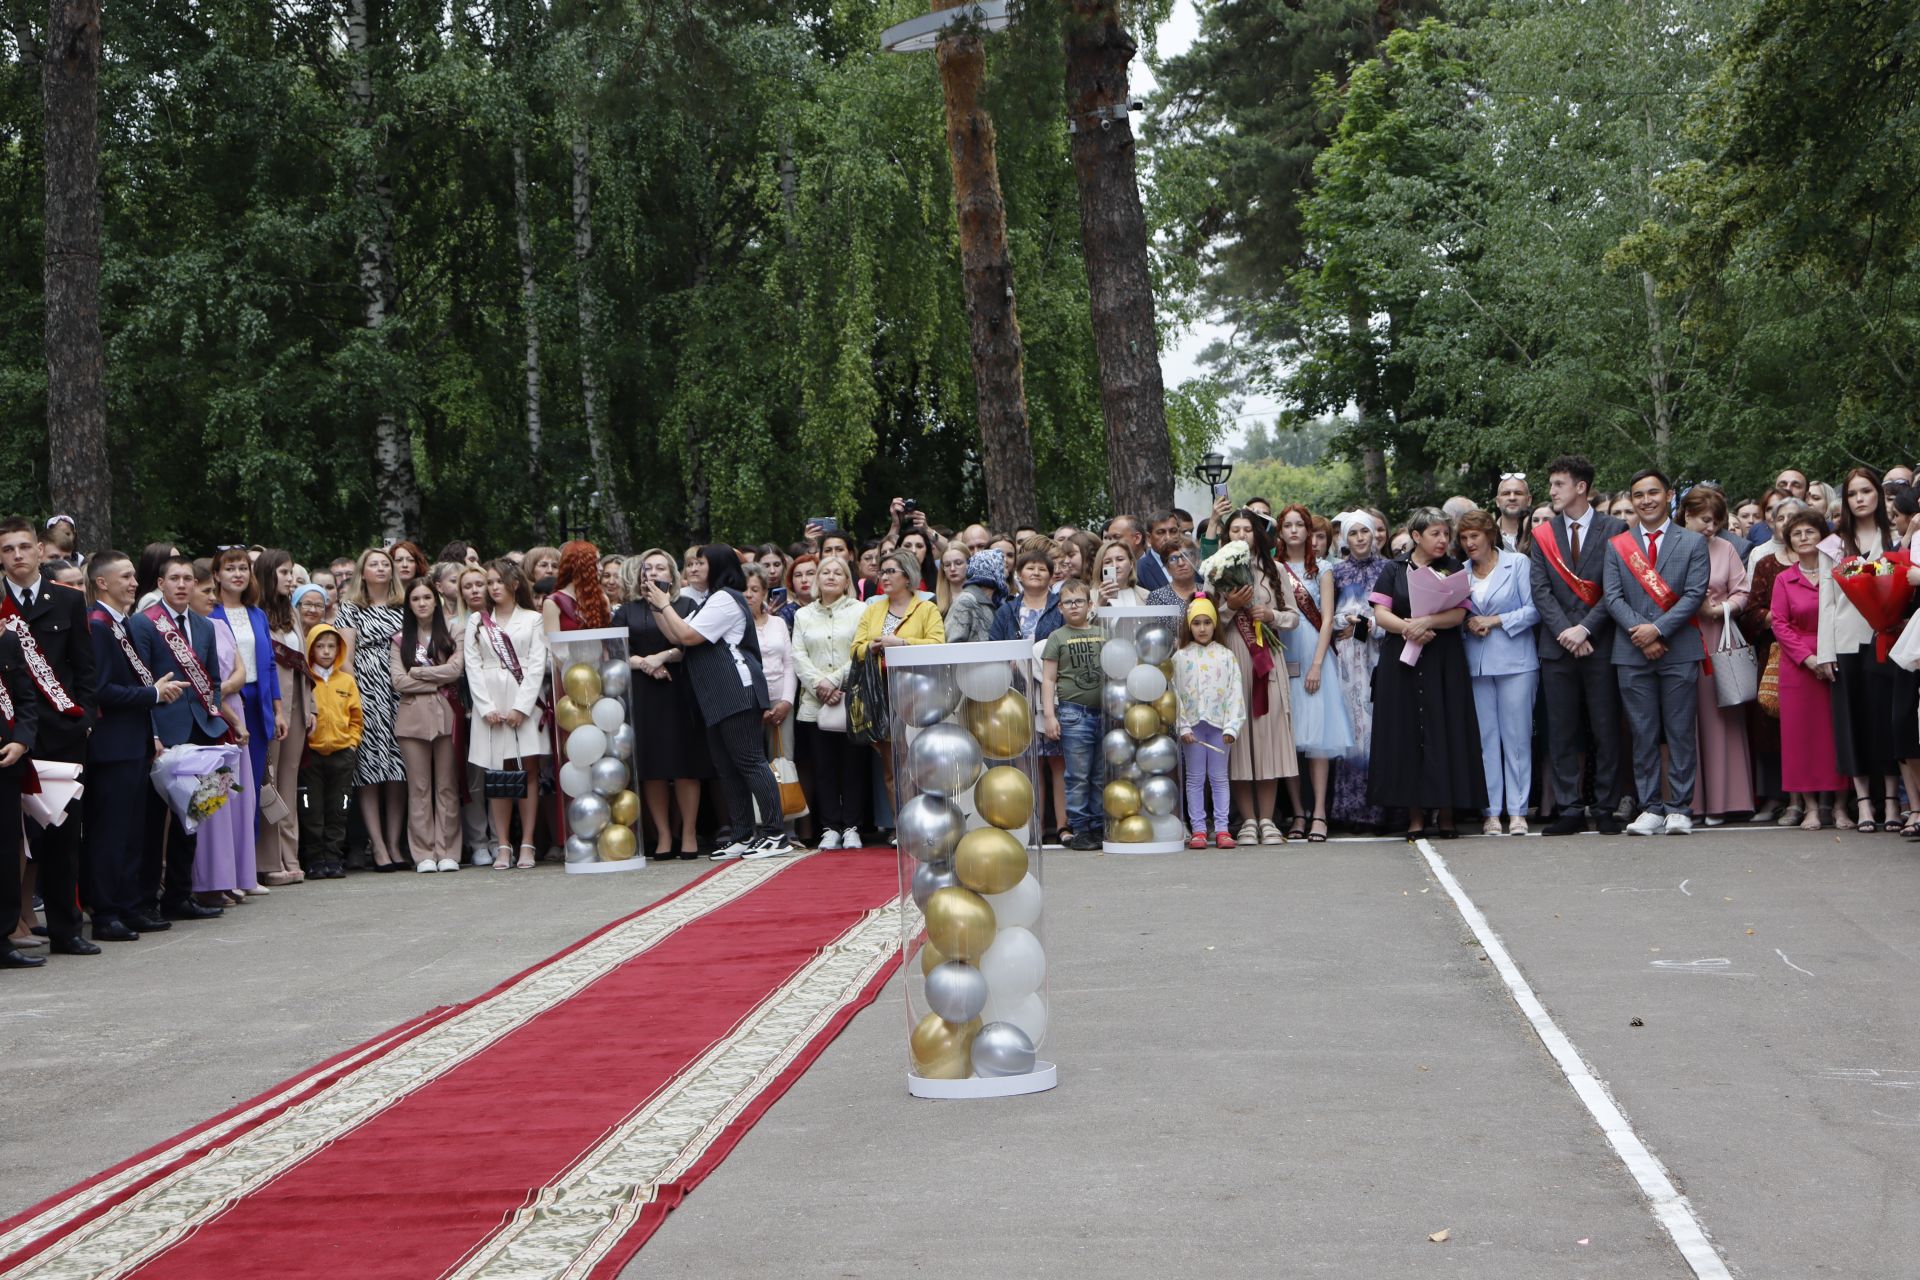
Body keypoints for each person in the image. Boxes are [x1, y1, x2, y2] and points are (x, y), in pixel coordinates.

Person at [637, 546, 794, 861]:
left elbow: (688, 635)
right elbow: (676, 635)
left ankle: (776, 834)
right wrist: (657, 605)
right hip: (717, 693)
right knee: (727, 766)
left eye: (701, 563)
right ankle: (741, 834)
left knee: (749, 761)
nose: (693, 568)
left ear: (718, 566)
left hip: (736, 689)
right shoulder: (710, 600)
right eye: (691, 563)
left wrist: (665, 603)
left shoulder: (725, 598)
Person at [0, 517, 97, 956]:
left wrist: (85, 718)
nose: (17, 556)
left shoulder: (67, 601)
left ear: (41, 550)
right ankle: (9, 932)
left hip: (60, 734)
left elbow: (84, 666)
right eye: (7, 550)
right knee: (7, 841)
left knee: (61, 837)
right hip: (9, 736)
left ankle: (65, 929)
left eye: (24, 547)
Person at [1604, 469, 1711, 836]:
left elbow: (1695, 594)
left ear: (1669, 496)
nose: (1646, 500)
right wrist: (1642, 633)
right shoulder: (1619, 545)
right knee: (1642, 732)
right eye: (1638, 495)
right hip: (1632, 653)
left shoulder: (1692, 542)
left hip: (1679, 648)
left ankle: (1680, 806)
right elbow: (1612, 596)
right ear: (1632, 501)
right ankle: (1650, 806)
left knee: (1680, 731)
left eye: (1653, 493)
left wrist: (1658, 628)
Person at [83, 552, 183, 941]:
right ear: (102, 583)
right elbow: (101, 690)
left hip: (132, 742)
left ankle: (127, 904)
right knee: (110, 831)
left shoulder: (117, 624)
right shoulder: (97, 625)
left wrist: (152, 696)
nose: (133, 582)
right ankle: (106, 911)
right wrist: (151, 694)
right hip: (112, 746)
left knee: (131, 831)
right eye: (124, 576)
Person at [1368, 508, 1485, 837]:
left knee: (1444, 729)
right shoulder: (1394, 568)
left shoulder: (1452, 568)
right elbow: (1380, 613)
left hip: (1442, 657)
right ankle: (1415, 814)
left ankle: (1446, 811)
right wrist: (1409, 628)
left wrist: (1427, 622)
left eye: (1446, 534)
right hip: (1402, 657)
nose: (1443, 540)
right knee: (1405, 733)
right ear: (1416, 536)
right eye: (1435, 534)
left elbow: (1458, 614)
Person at [1532, 455, 1629, 836]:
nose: (1552, 492)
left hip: (1600, 644)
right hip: (1557, 648)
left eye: (1558, 484)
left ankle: (1605, 806)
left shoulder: (1615, 528)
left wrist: (1585, 630)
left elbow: (1616, 588)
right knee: (1562, 730)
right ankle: (1570, 807)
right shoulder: (1543, 534)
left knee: (1606, 729)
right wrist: (1566, 632)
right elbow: (1540, 590)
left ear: (1580, 487)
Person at [1822, 466, 1903, 831]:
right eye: (1853, 494)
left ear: (1878, 495)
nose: (1860, 499)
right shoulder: (1833, 544)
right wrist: (1825, 652)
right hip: (1845, 640)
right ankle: (1864, 804)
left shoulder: (1897, 538)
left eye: (1866, 491)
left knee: (1885, 720)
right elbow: (1826, 600)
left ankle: (1891, 802)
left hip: (1889, 637)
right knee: (1850, 719)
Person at [619, 551, 712, 859]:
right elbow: (616, 651)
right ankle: (662, 835)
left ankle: (687, 833)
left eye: (661, 567)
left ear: (672, 575)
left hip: (681, 690)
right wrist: (645, 663)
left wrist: (663, 657)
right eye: (648, 568)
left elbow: (691, 644)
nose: (654, 572)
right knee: (653, 767)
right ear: (639, 574)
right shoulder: (627, 610)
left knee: (686, 765)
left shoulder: (687, 605)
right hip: (644, 692)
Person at [1218, 509, 1299, 847]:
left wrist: (1271, 614)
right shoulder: (1217, 572)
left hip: (1267, 657)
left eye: (1247, 529)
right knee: (1239, 739)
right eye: (1234, 529)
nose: (1241, 535)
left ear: (1258, 534)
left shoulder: (1275, 569)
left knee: (1268, 738)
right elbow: (1205, 622)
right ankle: (1247, 819)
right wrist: (1229, 607)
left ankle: (1268, 819)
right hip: (1233, 657)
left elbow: (1293, 618)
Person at [1457, 509, 1540, 836]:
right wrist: (1467, 625)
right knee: (1485, 740)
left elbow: (1534, 609)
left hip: (1516, 662)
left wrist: (1496, 620)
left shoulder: (1517, 563)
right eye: (1463, 538)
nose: (1468, 543)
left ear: (1489, 535)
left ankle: (1518, 811)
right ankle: (1491, 811)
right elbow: (1455, 614)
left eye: (1474, 536)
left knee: (1517, 738)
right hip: (1476, 663)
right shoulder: (1459, 572)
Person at [1677, 486, 1756, 823]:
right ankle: (1689, 802)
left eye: (1715, 521)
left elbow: (1743, 592)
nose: (1709, 527)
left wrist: (1722, 609)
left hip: (1716, 638)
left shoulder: (1726, 548)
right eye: (1703, 519)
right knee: (1683, 721)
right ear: (1687, 515)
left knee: (1720, 716)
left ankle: (1725, 800)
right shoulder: (1671, 547)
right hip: (1679, 636)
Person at [466, 558, 550, 870]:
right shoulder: (478, 621)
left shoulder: (533, 619)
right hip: (490, 701)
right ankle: (503, 845)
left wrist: (521, 707)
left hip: (522, 698)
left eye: (498, 581)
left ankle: (527, 843)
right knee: (497, 775)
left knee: (529, 770)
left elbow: (537, 663)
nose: (493, 587)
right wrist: (486, 708)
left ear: (514, 583)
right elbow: (472, 666)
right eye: (489, 583)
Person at [1274, 505, 1351, 841]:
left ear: (1308, 531)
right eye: (1287, 525)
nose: (1294, 531)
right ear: (1279, 532)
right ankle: (1298, 812)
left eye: (1299, 525)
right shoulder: (1272, 567)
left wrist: (1318, 664)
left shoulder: (1322, 569)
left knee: (1318, 738)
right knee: (1287, 739)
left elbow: (1329, 618)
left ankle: (1319, 811)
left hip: (1315, 653)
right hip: (1282, 650)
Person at [1771, 510, 1845, 828]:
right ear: (1790, 542)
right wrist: (1808, 658)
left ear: (1822, 536)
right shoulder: (1783, 579)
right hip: (1798, 665)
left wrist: (1829, 654)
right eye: (1797, 533)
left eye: (1810, 531)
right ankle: (1811, 806)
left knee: (1837, 733)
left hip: (1837, 659)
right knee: (1800, 737)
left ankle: (1840, 806)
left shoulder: (1839, 572)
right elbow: (1780, 623)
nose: (1803, 537)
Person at [334, 548, 408, 868]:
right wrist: (357, 698)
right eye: (373, 564)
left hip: (401, 692)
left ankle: (394, 844)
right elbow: (345, 659)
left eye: (385, 564)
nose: (380, 569)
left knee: (398, 769)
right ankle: (376, 845)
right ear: (362, 573)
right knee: (371, 769)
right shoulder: (350, 608)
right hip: (367, 691)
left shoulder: (403, 608)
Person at [191, 560, 258, 906]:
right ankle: (212, 881)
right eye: (206, 591)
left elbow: (240, 669)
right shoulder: (190, 631)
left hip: (234, 713)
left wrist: (228, 690)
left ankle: (236, 876)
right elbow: (204, 684)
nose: (212, 598)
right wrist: (232, 717)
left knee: (237, 799)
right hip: (217, 718)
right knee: (212, 802)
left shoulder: (217, 625)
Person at [389, 578, 466, 872]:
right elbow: (398, 681)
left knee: (446, 786)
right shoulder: (400, 640)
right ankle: (423, 853)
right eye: (416, 599)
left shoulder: (453, 631)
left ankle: (447, 850)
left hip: (447, 715)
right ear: (409, 604)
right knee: (419, 787)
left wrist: (420, 674)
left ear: (436, 600)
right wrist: (437, 676)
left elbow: (456, 670)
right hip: (411, 720)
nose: (422, 603)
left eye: (426, 598)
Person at [792, 555, 868, 849]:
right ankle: (830, 827)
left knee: (853, 765)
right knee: (822, 767)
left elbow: (860, 651)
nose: (831, 576)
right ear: (816, 579)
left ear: (848, 581)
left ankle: (852, 827)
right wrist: (819, 685)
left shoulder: (861, 611)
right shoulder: (803, 615)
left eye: (839, 572)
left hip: (850, 698)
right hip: (815, 703)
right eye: (825, 572)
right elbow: (798, 656)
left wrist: (835, 681)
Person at [1739, 497, 1807, 825]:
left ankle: (1815, 798)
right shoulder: (1765, 562)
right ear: (1774, 523)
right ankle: (1777, 796)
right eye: (1782, 518)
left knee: (1810, 724)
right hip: (1774, 652)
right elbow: (1750, 611)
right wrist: (1781, 619)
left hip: (1813, 650)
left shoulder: (1821, 559)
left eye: (1796, 517)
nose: (1789, 523)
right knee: (1770, 723)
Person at [990, 547, 1065, 835]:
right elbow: (993, 645)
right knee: (1028, 763)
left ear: (1051, 575)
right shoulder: (1006, 610)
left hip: (1053, 691)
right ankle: (1032, 827)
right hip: (1016, 692)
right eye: (1029, 568)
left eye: (1042, 569)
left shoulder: (1060, 606)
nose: (1035, 572)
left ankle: (1062, 826)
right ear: (1018, 575)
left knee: (1058, 761)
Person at [213, 547, 282, 847]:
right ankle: (225, 866)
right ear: (216, 575)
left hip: (257, 702)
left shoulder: (257, 614)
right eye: (230, 569)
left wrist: (278, 710)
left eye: (243, 568)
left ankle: (248, 866)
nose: (238, 574)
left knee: (253, 783)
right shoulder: (209, 613)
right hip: (226, 701)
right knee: (225, 784)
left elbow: (269, 665)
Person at [252, 552, 308, 886]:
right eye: (284, 572)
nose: (290, 578)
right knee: (268, 782)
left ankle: (291, 855)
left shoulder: (292, 613)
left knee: (288, 782)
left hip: (298, 708)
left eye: (291, 572)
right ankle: (268, 860)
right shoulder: (256, 615)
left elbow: (304, 664)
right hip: (271, 708)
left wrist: (311, 707)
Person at [1329, 519, 1387, 831]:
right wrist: (1345, 622)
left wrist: (1366, 624)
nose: (1360, 537)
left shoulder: (1389, 569)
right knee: (1351, 729)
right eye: (1353, 532)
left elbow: (1395, 612)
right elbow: (1327, 614)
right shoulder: (1336, 572)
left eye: (1365, 530)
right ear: (1344, 538)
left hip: (1380, 655)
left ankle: (1382, 809)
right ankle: (1351, 811)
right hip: (1347, 659)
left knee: (1379, 727)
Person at [1173, 596, 1244, 848]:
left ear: (1215, 624)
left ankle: (1223, 828)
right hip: (1192, 727)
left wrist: (1232, 727)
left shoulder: (1226, 656)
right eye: (1196, 623)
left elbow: (1235, 692)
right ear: (1189, 626)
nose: (1202, 628)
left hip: (1218, 727)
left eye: (1207, 622)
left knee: (1218, 776)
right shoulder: (1180, 657)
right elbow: (1175, 694)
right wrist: (1182, 725)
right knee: (1194, 778)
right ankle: (1199, 829)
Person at [1040, 580, 1105, 849]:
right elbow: (1048, 679)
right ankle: (1079, 828)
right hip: (1073, 715)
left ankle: (1100, 825)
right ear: (1060, 608)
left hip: (1104, 713)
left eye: (1079, 601)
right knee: (1077, 775)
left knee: (1100, 774)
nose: (1074, 606)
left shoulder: (1104, 633)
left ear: (1090, 605)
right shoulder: (1058, 637)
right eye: (1068, 602)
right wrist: (1049, 715)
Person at [300, 623, 362, 876]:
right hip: (311, 754)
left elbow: (356, 717)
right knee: (310, 808)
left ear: (339, 649)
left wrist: (351, 743)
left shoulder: (346, 681)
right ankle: (314, 859)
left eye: (331, 646)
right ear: (311, 648)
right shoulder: (305, 678)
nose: (325, 651)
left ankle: (334, 858)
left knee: (339, 807)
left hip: (341, 753)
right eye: (320, 646)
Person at [0, 615, 39, 968]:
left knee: (6, 850)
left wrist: (22, 742)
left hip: (6, 761)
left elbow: (27, 700)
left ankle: (3, 938)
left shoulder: (8, 642)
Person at [743, 564, 797, 772]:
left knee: (783, 763)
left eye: (755, 590)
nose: (748, 595)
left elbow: (789, 663)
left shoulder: (778, 623)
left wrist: (786, 701)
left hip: (781, 701)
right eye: (744, 589)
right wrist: (758, 707)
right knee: (754, 764)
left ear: (765, 592)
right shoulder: (735, 626)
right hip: (749, 704)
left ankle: (786, 805)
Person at [944, 550, 1007, 644]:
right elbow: (953, 642)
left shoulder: (998, 602)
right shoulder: (965, 601)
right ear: (993, 570)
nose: (1006, 572)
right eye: (1003, 567)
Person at [1093, 538, 1151, 612]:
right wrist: (1099, 606)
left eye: (1120, 559)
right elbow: (1085, 623)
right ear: (1101, 567)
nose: (1114, 565)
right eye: (1108, 562)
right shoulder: (1090, 596)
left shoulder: (1146, 595)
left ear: (1131, 564)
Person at [1145, 539, 1202, 609]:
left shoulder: (1206, 591)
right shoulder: (1158, 597)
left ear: (1195, 561)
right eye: (1173, 559)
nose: (1181, 563)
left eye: (1185, 556)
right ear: (1167, 568)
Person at [1494, 473, 1535, 552]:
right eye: (1506, 493)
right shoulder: (1487, 536)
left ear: (1529, 500)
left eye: (1518, 493)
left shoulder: (1539, 534)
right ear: (1497, 501)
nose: (1512, 498)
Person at [934, 543, 970, 617]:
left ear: (968, 563)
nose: (952, 569)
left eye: (958, 563)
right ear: (943, 568)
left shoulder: (979, 597)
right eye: (947, 565)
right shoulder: (934, 603)